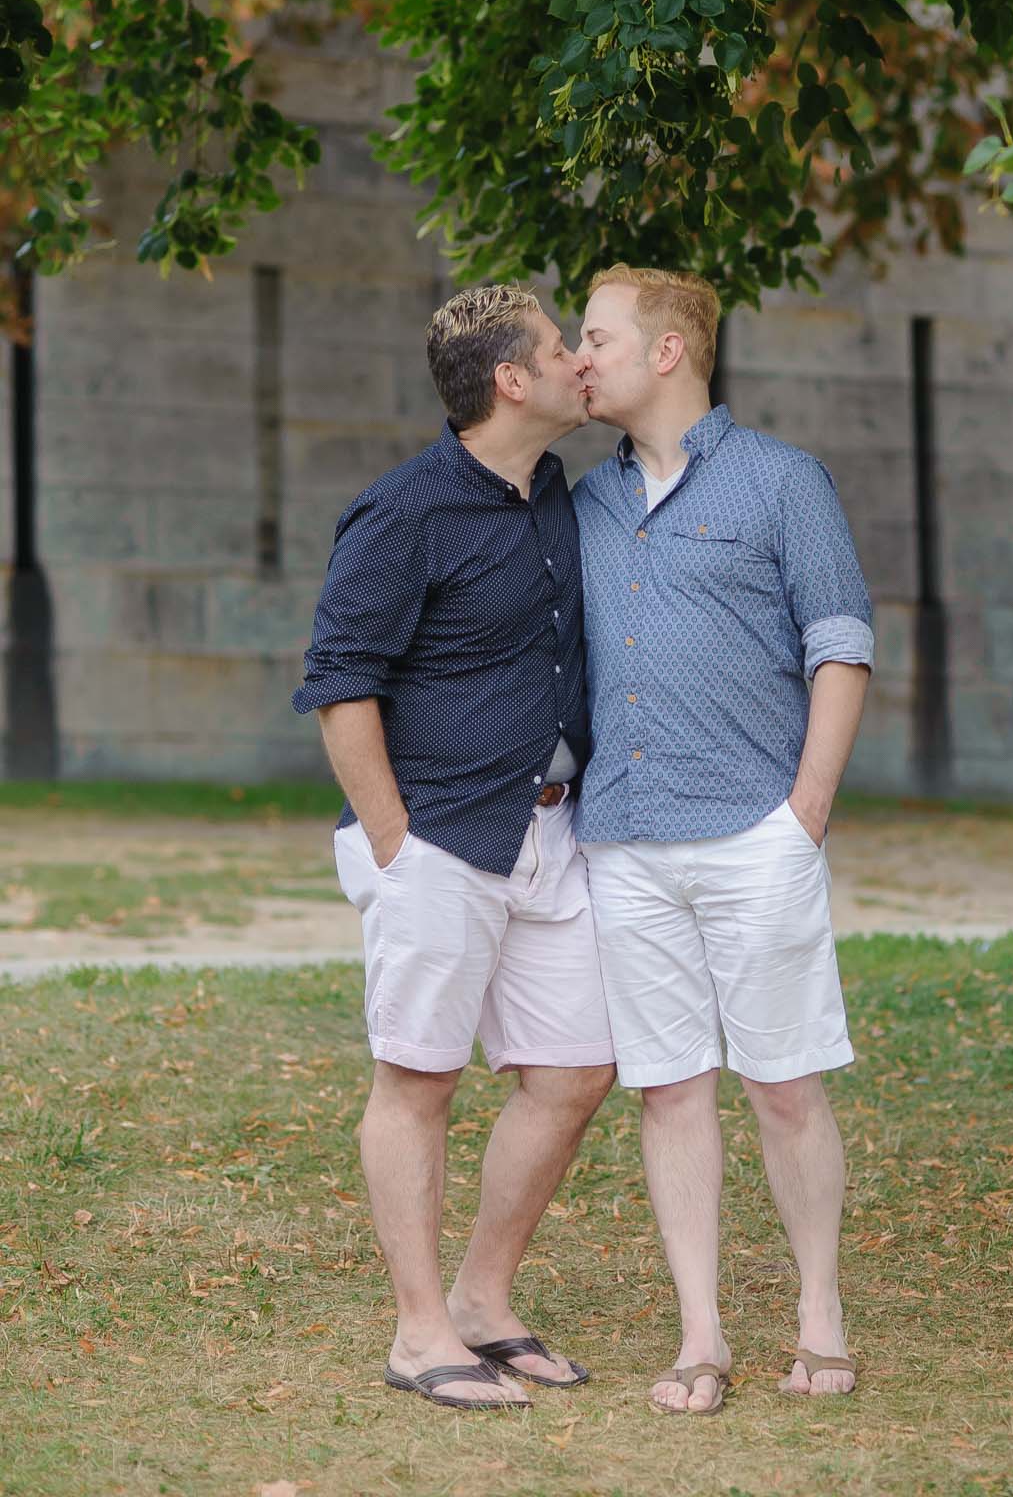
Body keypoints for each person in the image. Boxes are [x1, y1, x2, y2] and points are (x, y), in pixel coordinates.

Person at [292, 284, 615, 1412]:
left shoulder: (557, 492)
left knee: (575, 1071)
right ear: (511, 381)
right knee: (417, 1078)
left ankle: (482, 1300)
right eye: (560, 347)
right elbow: (340, 683)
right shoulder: (402, 512)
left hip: (551, 830)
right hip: (435, 835)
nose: (580, 361)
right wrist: (395, 843)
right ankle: (418, 1329)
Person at [572, 264, 874, 1416]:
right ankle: (699, 1331)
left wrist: (803, 816)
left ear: (666, 350)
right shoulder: (581, 504)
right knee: (667, 1090)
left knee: (784, 1084)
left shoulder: (783, 480)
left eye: (595, 337)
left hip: (756, 830)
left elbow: (839, 644)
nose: (578, 357)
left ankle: (819, 1311)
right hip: (624, 838)